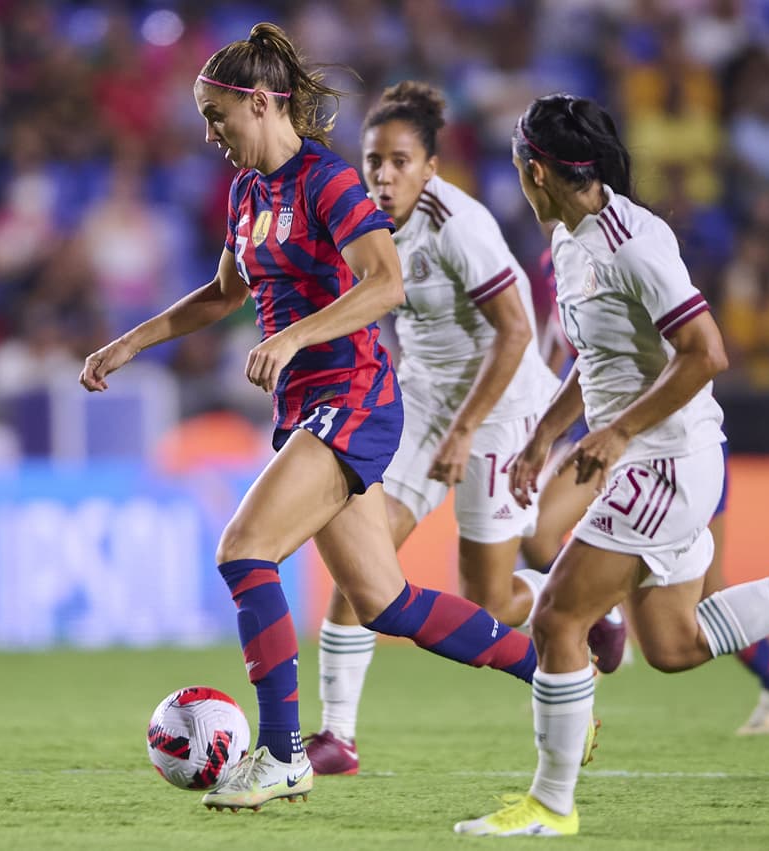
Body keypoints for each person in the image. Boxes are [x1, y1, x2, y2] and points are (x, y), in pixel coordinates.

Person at [79, 24, 538, 813]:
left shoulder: (327, 182)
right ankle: (552, 672)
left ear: (260, 103)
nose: (211, 134)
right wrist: (132, 342)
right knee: (387, 601)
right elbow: (227, 294)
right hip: (308, 409)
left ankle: (284, 753)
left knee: (244, 550)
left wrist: (293, 335)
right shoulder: (248, 193)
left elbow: (385, 282)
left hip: (353, 396)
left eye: (218, 116)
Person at [453, 93, 769, 838]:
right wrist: (546, 433)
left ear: (538, 172)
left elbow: (708, 352)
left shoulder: (633, 242)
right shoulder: (570, 236)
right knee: (673, 646)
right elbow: (600, 356)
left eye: (521, 162)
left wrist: (615, 436)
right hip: (651, 458)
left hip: (666, 460)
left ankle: (551, 805)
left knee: (558, 617)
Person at [303, 82, 564, 776]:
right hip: (421, 396)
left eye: (399, 161)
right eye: (372, 161)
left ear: (430, 167)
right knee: (363, 551)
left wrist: (466, 429)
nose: (383, 175)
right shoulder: (357, 217)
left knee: (490, 599)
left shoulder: (459, 224)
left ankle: (573, 595)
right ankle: (337, 734)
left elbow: (516, 332)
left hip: (501, 404)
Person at [524, 261, 769, 735]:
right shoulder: (557, 265)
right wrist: (543, 427)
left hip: (671, 445)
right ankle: (602, 620)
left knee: (709, 595)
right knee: (540, 534)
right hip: (594, 431)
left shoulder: (626, 256)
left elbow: (692, 350)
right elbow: (562, 356)